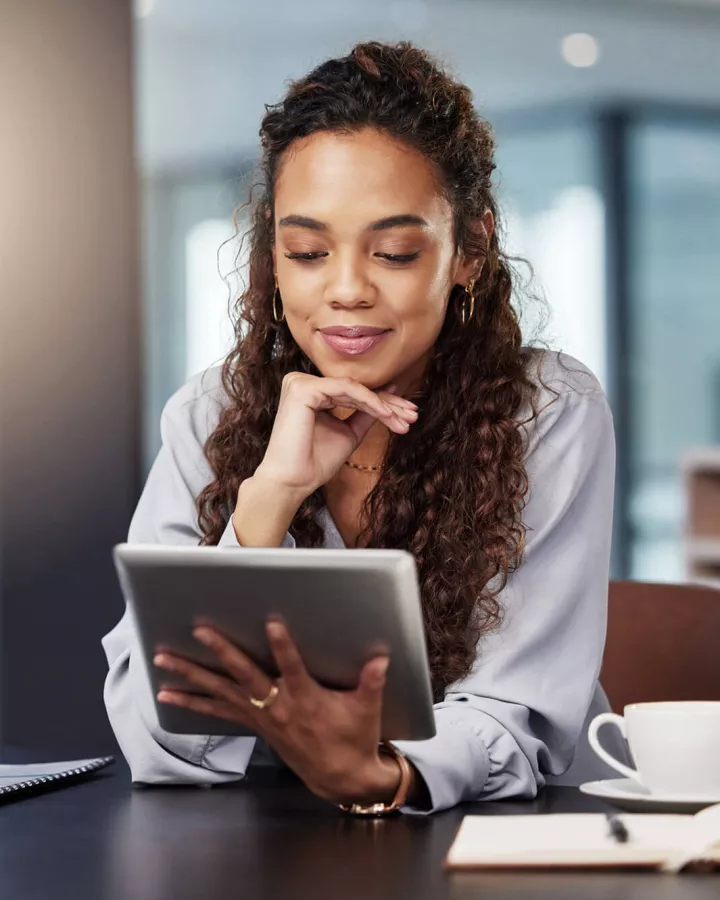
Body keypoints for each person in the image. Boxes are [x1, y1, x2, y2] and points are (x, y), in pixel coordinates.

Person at [102, 40, 628, 815]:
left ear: (469, 253)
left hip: (512, 842)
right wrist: (266, 506)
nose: (346, 290)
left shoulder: (547, 411)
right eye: (308, 251)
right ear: (274, 262)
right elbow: (160, 739)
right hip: (278, 850)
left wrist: (382, 776)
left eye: (394, 251)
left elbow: (519, 716)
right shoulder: (208, 413)